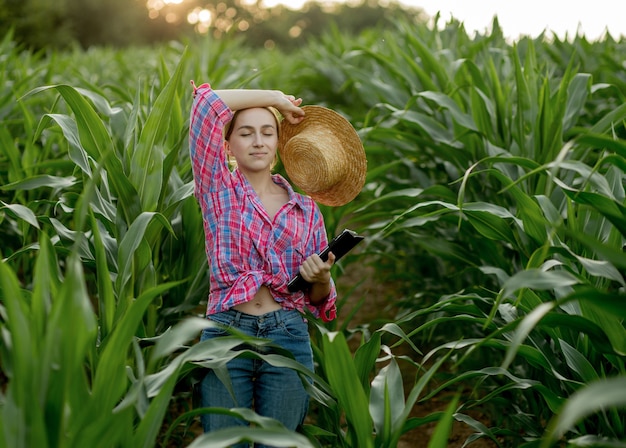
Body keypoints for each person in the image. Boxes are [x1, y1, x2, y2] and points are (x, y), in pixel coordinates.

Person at [188, 81, 342, 446]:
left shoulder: (306, 209)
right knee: (224, 442)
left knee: (280, 443)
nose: (257, 140)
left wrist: (320, 277)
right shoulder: (217, 188)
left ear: (278, 143)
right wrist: (274, 99)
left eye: (267, 132)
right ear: (227, 145)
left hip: (287, 334)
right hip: (227, 332)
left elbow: (320, 299)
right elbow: (206, 105)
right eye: (246, 132)